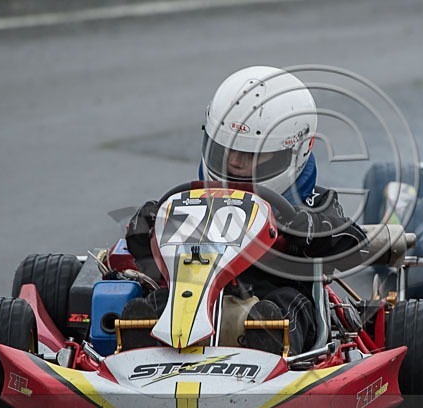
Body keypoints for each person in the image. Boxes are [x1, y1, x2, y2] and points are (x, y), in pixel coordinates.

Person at [125, 66, 366, 355]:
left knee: (286, 304)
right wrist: (147, 228)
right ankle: (141, 339)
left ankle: (271, 344)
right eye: (226, 150)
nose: (236, 163)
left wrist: (311, 229)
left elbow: (355, 246)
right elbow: (143, 264)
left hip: (272, 304)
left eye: (250, 154)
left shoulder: (313, 203)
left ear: (297, 150)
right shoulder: (187, 201)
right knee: (157, 301)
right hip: (191, 296)